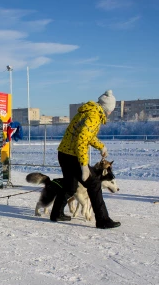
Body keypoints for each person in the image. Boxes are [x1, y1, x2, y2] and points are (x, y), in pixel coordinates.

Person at [51, 90, 121, 229]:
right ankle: (103, 220)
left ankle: (56, 213)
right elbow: (81, 140)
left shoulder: (88, 111)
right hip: (73, 155)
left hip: (64, 153)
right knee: (94, 183)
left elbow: (85, 136)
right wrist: (84, 166)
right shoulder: (94, 116)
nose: (111, 112)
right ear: (108, 108)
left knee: (70, 186)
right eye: (112, 109)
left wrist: (101, 146)